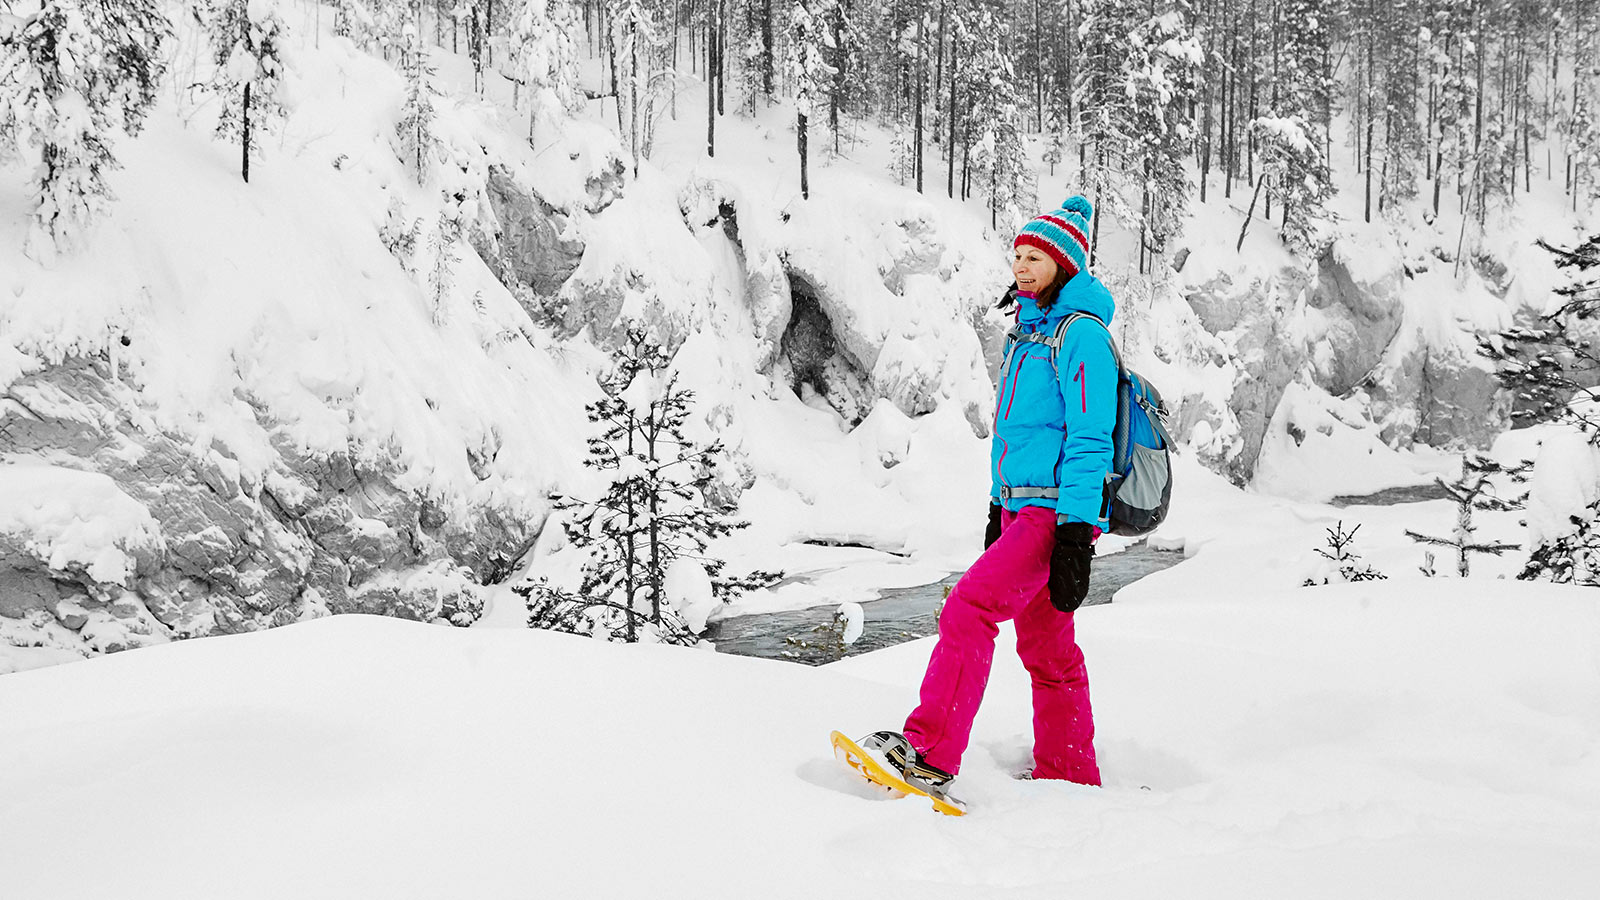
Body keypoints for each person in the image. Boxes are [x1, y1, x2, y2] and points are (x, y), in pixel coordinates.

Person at [862, 195, 1115, 794]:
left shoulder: (1081, 337)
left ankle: (929, 753)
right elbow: (1019, 435)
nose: (1021, 267)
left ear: (1066, 265)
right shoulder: (1028, 336)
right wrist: (998, 509)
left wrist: (1076, 532)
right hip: (1021, 510)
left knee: (968, 609)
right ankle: (1071, 773)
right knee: (1049, 652)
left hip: (1053, 515)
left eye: (1035, 257)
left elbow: (1088, 438)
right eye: (1017, 256)